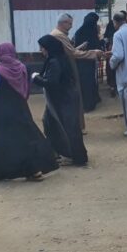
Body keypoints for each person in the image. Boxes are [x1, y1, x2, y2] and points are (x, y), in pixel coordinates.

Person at [0, 43, 58, 181]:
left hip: (3, 114)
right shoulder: (22, 67)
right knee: (27, 139)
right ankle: (34, 171)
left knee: (3, 142)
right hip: (20, 110)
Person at [33, 35, 89, 166]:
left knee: (69, 128)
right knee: (50, 124)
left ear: (48, 48)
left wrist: (36, 78)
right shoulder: (57, 58)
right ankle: (58, 153)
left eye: (42, 48)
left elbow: (51, 82)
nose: (41, 50)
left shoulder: (55, 61)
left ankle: (76, 157)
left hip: (64, 99)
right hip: (61, 98)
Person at [51, 13, 105, 133]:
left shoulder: (62, 34)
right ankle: (71, 128)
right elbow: (72, 53)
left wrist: (80, 47)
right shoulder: (59, 35)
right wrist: (94, 53)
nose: (71, 26)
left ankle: (74, 127)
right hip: (68, 69)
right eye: (69, 23)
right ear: (63, 23)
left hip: (74, 66)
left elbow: (70, 50)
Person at [72, 12, 102, 112]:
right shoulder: (92, 32)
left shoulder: (79, 32)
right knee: (90, 81)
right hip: (89, 60)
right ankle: (89, 104)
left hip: (80, 61)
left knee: (84, 82)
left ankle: (87, 103)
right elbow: (96, 46)